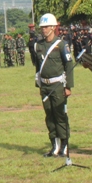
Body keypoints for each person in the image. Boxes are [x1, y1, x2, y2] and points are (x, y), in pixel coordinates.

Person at [32, 13, 74, 157]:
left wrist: (68, 86)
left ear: (53, 27)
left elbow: (69, 65)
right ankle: (54, 146)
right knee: (49, 115)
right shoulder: (38, 45)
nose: (43, 29)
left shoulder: (61, 45)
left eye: (46, 27)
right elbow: (38, 66)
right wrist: (38, 84)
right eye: (42, 27)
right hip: (45, 85)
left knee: (60, 115)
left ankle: (64, 145)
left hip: (58, 85)